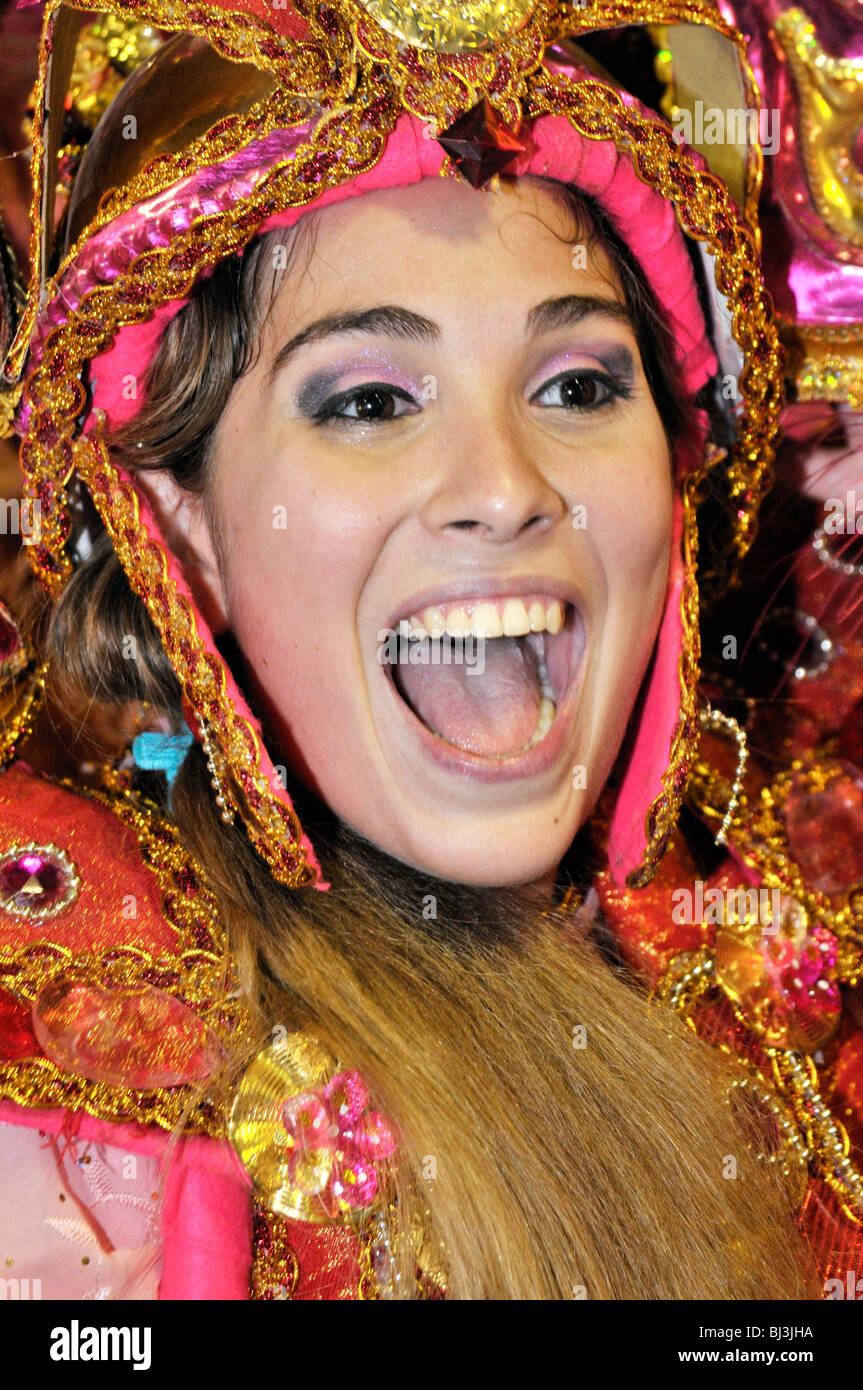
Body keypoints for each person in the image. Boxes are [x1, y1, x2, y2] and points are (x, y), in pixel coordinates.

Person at [0, 0, 851, 1300]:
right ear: (186, 532)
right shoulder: (79, 1109)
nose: (504, 485)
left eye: (577, 385)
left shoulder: (804, 998)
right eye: (370, 401)